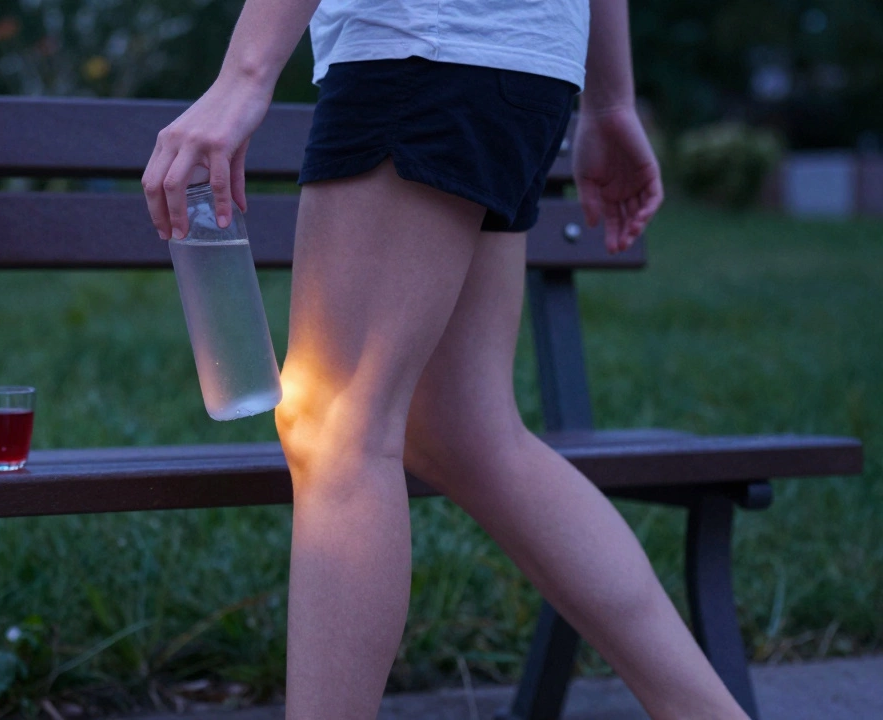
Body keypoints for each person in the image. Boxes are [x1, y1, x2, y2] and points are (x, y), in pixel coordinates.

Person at [143, 0, 750, 718]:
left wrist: (244, 76)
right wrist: (610, 99)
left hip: (421, 50)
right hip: (522, 66)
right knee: (466, 434)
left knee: (335, 426)